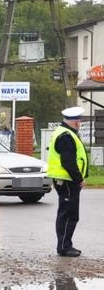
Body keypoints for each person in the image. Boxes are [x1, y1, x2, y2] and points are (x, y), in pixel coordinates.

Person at [47, 106, 89, 257]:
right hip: (67, 180)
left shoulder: (65, 133)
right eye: (78, 120)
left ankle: (65, 244)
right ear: (73, 121)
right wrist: (79, 179)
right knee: (68, 215)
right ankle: (64, 246)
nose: (79, 123)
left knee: (67, 213)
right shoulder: (66, 136)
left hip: (65, 180)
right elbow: (68, 162)